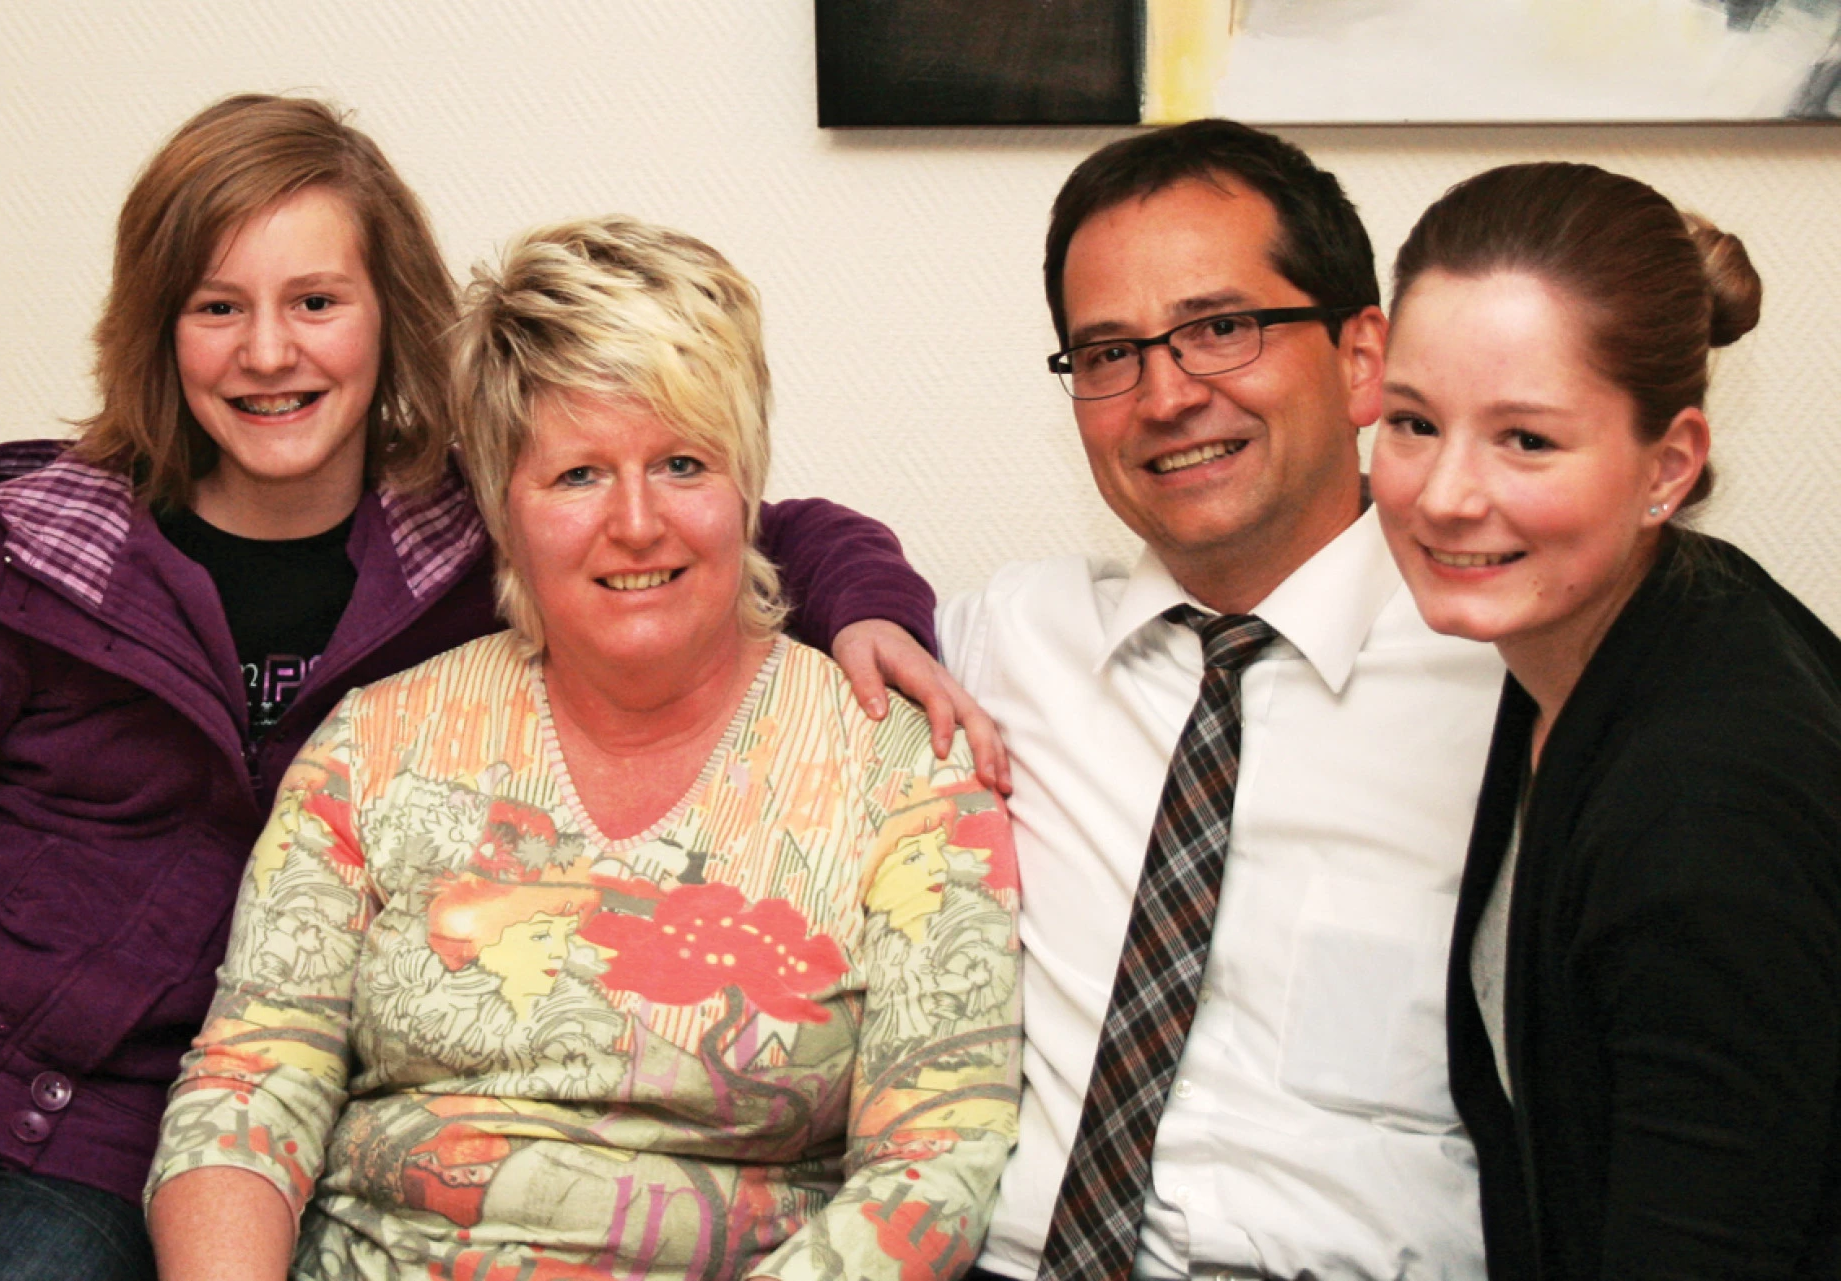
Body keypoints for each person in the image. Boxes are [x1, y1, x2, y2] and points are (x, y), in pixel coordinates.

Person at [0, 95, 994, 1281]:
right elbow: (250, 1079)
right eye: (217, 306)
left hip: (89, 1150)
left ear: (393, 323)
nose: (269, 350)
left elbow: (749, 527)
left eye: (316, 301)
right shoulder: (56, 554)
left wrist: (878, 606)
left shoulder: (452, 549)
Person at [143, 215, 1022, 1281]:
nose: (638, 523)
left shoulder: (901, 765)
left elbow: (929, 1167)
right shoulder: (374, 746)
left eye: (683, 463)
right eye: (577, 476)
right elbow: (247, 1084)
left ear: (748, 486)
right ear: (503, 508)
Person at [941, 119, 1506, 1281]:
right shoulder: (1010, 641)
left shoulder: (1506, 678)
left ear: (1363, 360)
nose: (1163, 395)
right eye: (1108, 354)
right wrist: (852, 598)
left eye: (1219, 329)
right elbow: (733, 568)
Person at [1371, 161, 1841, 1279]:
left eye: (1526, 440)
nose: (1444, 493)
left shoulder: (1706, 802)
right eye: (1412, 422)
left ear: (1666, 466)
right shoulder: (1607, 626)